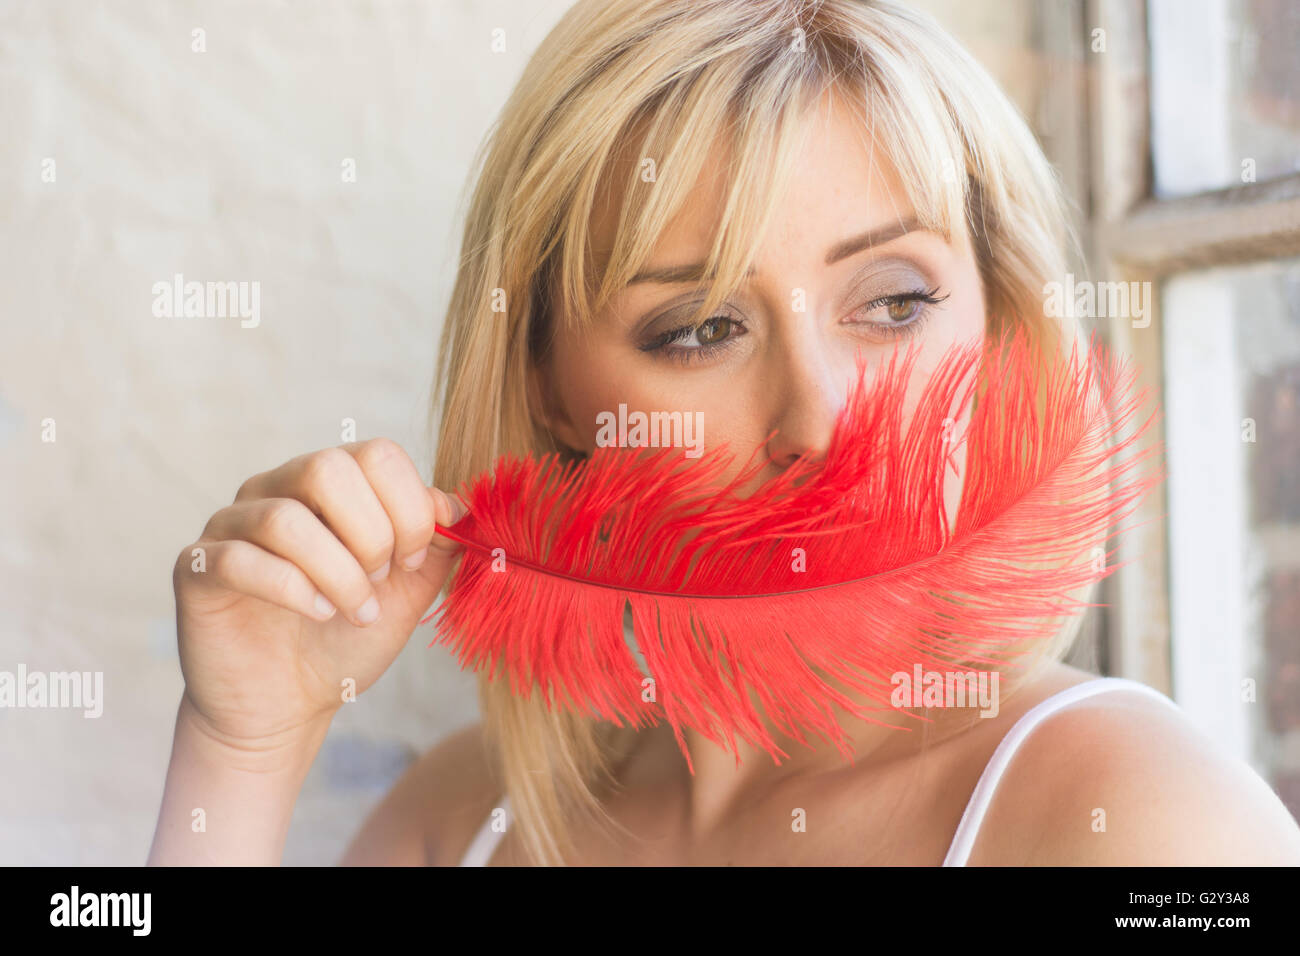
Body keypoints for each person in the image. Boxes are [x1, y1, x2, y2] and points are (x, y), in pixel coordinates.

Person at [147, 0, 1300, 866]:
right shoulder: (463, 822)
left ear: (997, 314)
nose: (819, 416)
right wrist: (242, 747)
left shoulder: (1135, 817)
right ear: (547, 386)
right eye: (700, 328)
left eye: (894, 301)